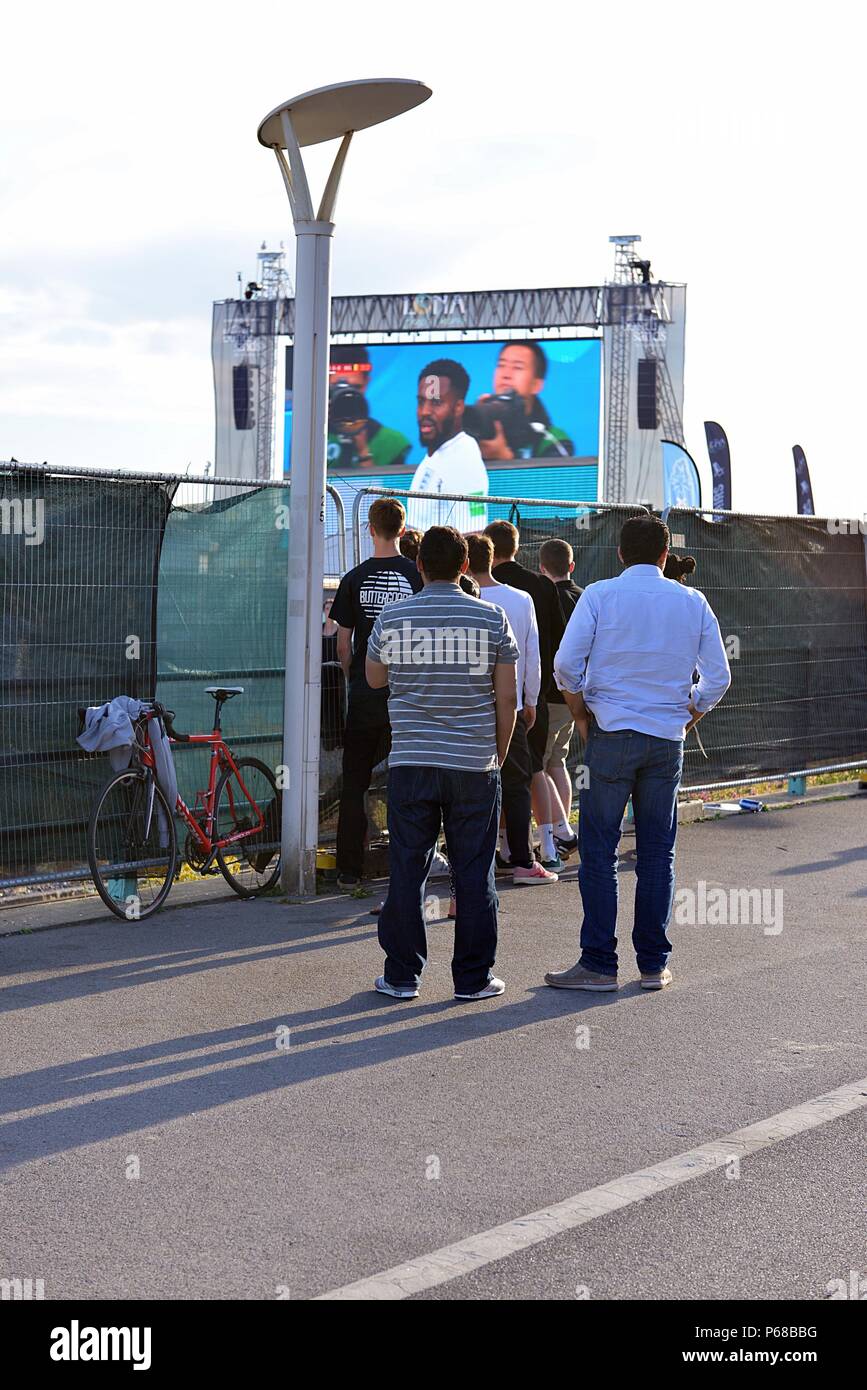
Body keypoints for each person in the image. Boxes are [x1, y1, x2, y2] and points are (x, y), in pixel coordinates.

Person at [546, 515, 731, 993]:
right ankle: (652, 964)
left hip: (609, 735)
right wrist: (690, 714)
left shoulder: (600, 595)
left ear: (620, 553)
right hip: (666, 739)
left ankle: (598, 964)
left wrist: (581, 713)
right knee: (656, 854)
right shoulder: (693, 601)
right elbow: (719, 677)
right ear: (666, 555)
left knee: (598, 853)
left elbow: (565, 665)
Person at [365, 526, 519, 1000]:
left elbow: (373, 679)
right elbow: (507, 697)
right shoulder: (492, 617)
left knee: (408, 868)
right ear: (465, 565)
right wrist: (500, 751)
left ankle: (402, 975)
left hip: (412, 761)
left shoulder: (393, 618)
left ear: (419, 565)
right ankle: (473, 979)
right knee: (474, 873)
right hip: (474, 762)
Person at [330, 497, 422, 889]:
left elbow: (341, 644)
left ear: (369, 529)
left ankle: (348, 870)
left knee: (355, 782)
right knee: (408, 779)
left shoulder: (353, 577)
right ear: (403, 529)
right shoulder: (417, 576)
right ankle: (407, 865)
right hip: (408, 695)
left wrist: (356, 679)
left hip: (367, 695)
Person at [467, 534, 556, 886]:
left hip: (470, 706)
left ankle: (477, 858)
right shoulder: (521, 599)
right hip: (512, 705)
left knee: (470, 782)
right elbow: (531, 656)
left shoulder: (462, 601)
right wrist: (530, 700)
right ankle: (521, 858)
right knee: (516, 782)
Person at [484, 520, 569, 869]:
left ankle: (504, 848)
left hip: (492, 699)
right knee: (534, 770)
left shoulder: (476, 593)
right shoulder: (538, 588)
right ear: (517, 548)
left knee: (500, 776)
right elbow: (544, 649)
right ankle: (544, 846)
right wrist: (534, 698)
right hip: (530, 698)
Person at [407, 359, 489, 533]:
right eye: (421, 402)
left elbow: (473, 538)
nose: (425, 411)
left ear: (458, 407)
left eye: (436, 403)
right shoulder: (437, 453)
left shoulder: (464, 458)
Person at [538, 538, 583, 852]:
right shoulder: (584, 597)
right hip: (577, 695)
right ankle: (561, 827)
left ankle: (559, 831)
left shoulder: (542, 598)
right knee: (559, 761)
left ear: (541, 568)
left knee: (537, 767)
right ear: (571, 566)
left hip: (551, 694)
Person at [475, 342, 574, 462]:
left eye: (517, 367)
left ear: (536, 385)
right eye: (501, 365)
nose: (506, 375)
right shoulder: (479, 422)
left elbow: (556, 480)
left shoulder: (553, 439)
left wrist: (504, 458)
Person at [326, 345, 412, 471]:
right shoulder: (308, 435)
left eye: (355, 388)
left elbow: (389, 489)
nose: (347, 396)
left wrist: (363, 451)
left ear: (367, 382)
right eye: (338, 388)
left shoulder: (392, 442)